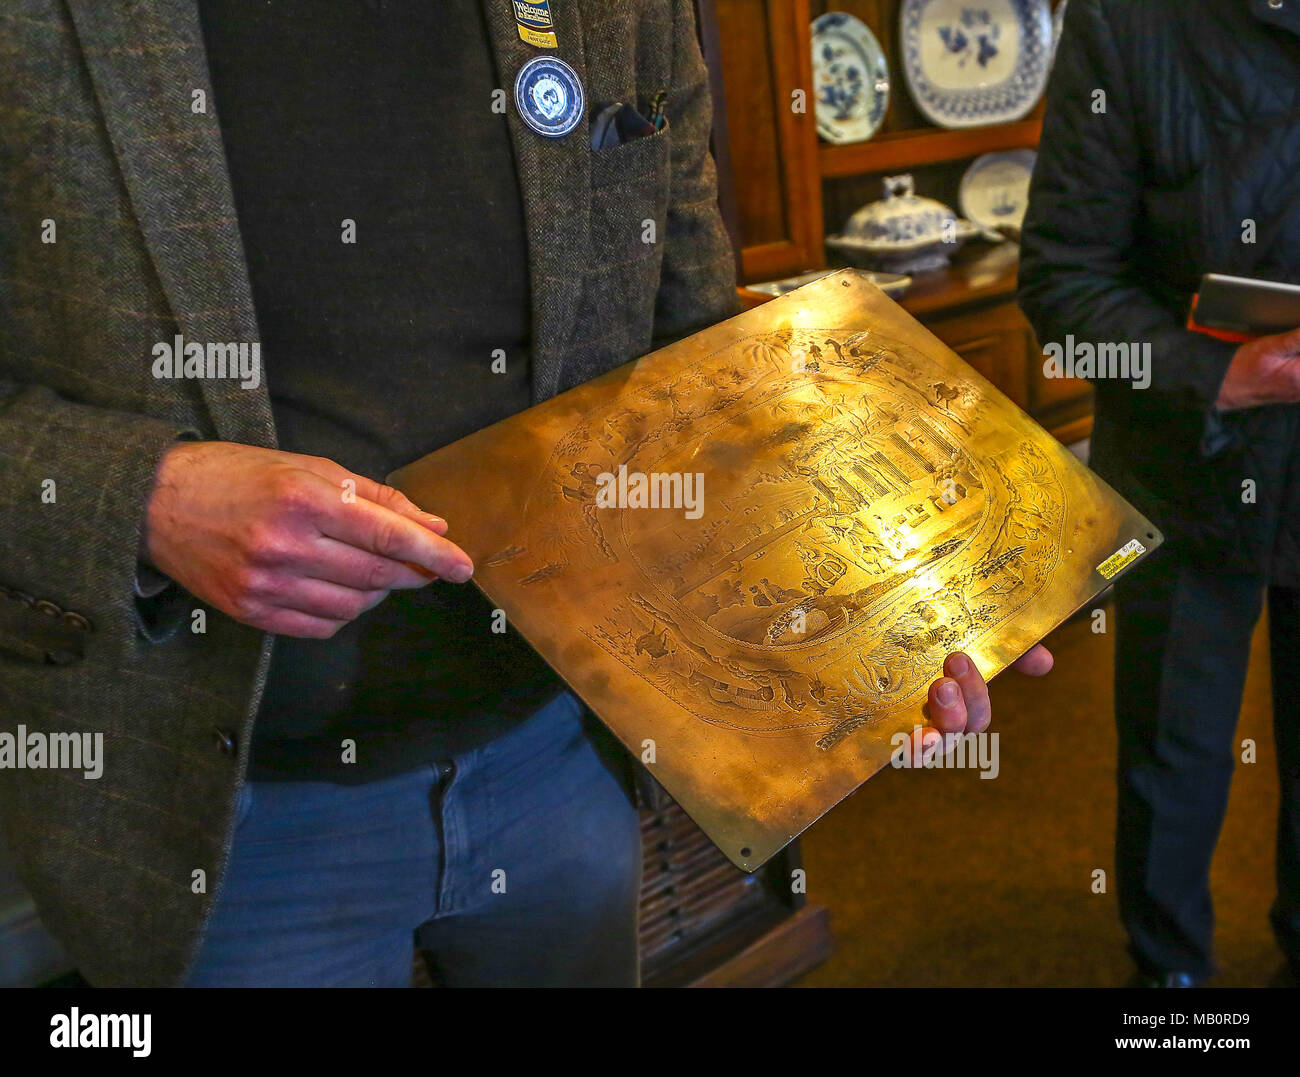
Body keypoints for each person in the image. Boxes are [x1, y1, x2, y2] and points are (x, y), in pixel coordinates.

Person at [0, 0, 1050, 988]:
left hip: (565, 750)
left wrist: (893, 606)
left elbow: (698, 347)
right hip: (224, 808)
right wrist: (146, 496)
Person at [1019, 0, 1300, 987]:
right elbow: (1060, 283)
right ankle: (1171, 982)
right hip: (1184, 459)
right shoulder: (1125, 20)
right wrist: (1221, 375)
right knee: (1171, 761)